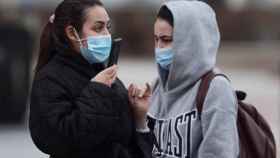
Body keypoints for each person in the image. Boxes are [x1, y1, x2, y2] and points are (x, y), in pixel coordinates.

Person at [29, 0, 153, 157]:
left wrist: (139, 119)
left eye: (107, 27)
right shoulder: (50, 79)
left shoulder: (99, 72)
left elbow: (122, 141)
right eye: (98, 28)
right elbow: (56, 138)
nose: (107, 35)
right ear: (71, 33)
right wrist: (97, 90)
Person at [128, 1, 240, 158]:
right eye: (156, 39)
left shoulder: (216, 89)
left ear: (190, 41)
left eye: (167, 40)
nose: (159, 47)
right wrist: (140, 121)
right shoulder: (157, 86)